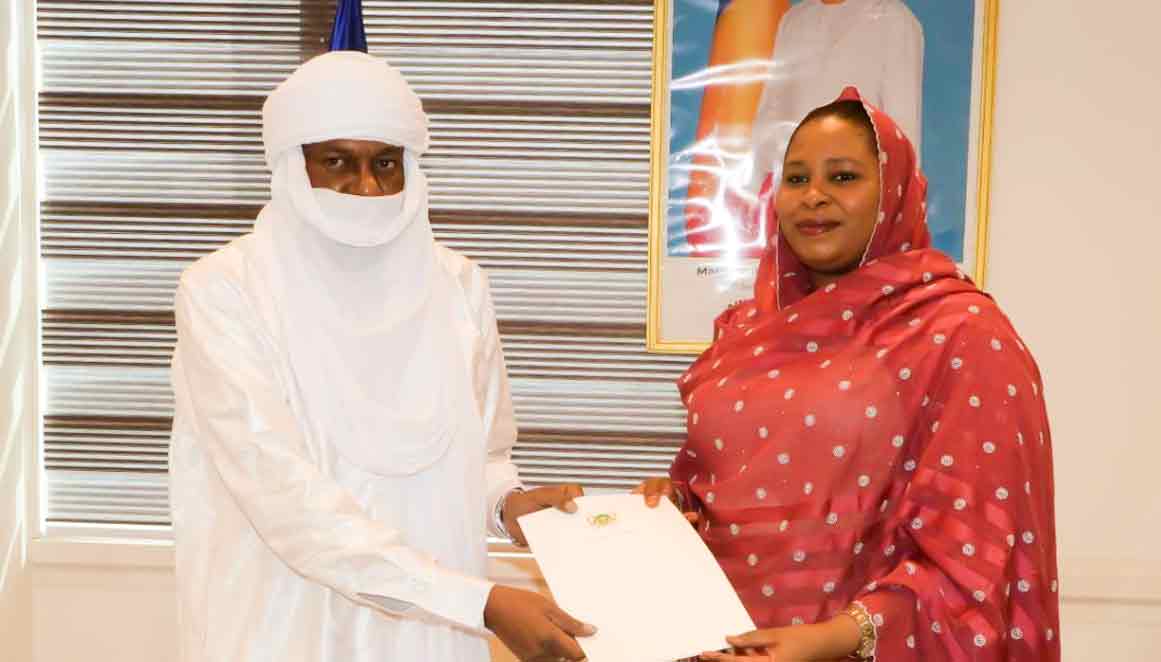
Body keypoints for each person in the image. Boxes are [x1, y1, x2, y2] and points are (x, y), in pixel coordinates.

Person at [169, 51, 593, 662]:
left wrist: (509, 507)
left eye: (385, 163)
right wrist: (477, 603)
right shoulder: (226, 291)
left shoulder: (459, 286)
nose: (366, 188)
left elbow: (483, 454)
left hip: (433, 634)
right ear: (293, 166)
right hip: (285, 629)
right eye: (337, 162)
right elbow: (283, 498)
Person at [640, 88, 1060, 661]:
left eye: (843, 177)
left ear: (894, 194)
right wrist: (669, 507)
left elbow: (979, 550)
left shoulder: (960, 335)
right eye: (796, 178)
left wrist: (832, 638)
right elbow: (720, 489)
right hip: (714, 644)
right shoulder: (745, 332)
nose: (814, 196)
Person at [685, 0, 923, 258]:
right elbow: (771, 113)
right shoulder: (795, 20)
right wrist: (750, 193)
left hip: (855, 208)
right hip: (790, 204)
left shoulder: (894, 20)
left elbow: (903, 138)